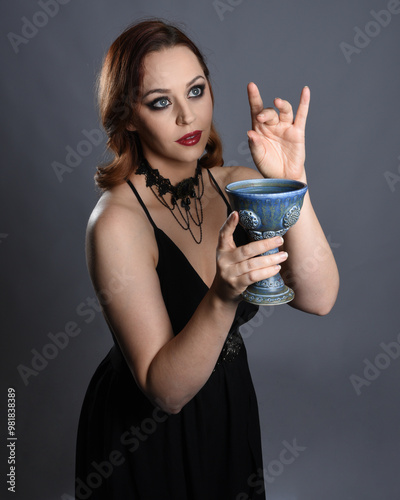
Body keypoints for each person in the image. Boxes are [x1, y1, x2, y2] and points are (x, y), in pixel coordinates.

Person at [75, 19, 339, 500]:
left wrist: (294, 182)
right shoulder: (117, 221)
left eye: (195, 91)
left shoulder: (238, 185)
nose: (186, 117)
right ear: (128, 116)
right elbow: (164, 392)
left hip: (228, 407)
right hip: (142, 437)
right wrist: (222, 295)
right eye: (160, 101)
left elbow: (319, 297)